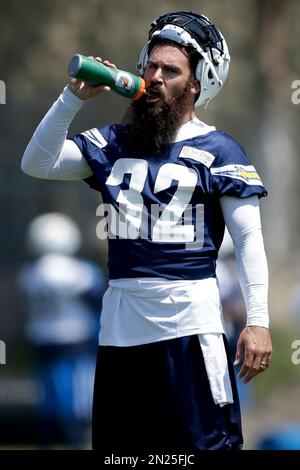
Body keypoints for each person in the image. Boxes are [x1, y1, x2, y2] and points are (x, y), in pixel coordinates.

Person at [21, 11, 272, 452]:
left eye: (170, 71)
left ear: (197, 83)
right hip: (120, 329)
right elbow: (37, 163)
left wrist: (257, 321)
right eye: (150, 66)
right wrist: (71, 98)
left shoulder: (218, 149)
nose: (154, 77)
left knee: (205, 450)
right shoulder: (113, 142)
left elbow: (249, 240)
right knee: (124, 455)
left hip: (191, 327)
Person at [18, 212, 106, 447]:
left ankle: (50, 438)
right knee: (78, 396)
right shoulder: (77, 271)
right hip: (74, 336)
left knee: (50, 393)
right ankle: (79, 436)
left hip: (41, 337)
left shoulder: (28, 274)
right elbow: (98, 299)